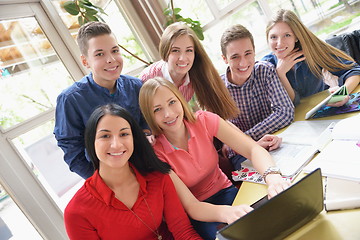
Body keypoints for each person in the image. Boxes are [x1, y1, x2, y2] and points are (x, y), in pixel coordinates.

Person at [139, 77, 290, 240]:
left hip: (227, 191)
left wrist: (273, 177)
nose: (168, 113)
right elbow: (191, 206)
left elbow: (253, 149)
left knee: (276, 221)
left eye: (171, 102)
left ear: (180, 100)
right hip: (203, 213)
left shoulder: (204, 120)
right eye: (157, 109)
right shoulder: (156, 154)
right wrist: (225, 213)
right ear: (149, 115)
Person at [64, 104, 202, 240]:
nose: (116, 145)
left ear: (134, 139)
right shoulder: (76, 213)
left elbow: (183, 232)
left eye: (124, 134)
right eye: (105, 136)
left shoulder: (158, 176)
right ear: (91, 142)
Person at [54, 22, 149, 179]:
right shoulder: (70, 100)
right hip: (109, 179)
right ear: (85, 61)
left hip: (146, 168)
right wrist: (102, 182)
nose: (111, 59)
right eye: (99, 54)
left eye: (115, 51)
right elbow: (72, 151)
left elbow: (148, 123)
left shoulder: (137, 86)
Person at [220, 24, 294, 169]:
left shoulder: (265, 71)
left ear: (254, 51)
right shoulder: (218, 89)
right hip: (243, 154)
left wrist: (245, 137)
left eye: (248, 53)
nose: (243, 63)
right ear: (225, 59)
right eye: (235, 57)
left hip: (275, 139)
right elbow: (226, 147)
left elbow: (285, 112)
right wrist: (249, 144)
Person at [140, 22, 238, 120]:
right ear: (165, 52)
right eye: (175, 50)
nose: (182, 58)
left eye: (189, 50)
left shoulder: (194, 75)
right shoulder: (148, 77)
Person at [262, 9, 360, 106]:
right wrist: (281, 74)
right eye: (273, 37)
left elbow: (354, 70)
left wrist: (341, 94)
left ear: (296, 37)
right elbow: (293, 103)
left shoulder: (311, 51)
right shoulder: (265, 67)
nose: (279, 43)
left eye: (287, 35)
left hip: (324, 109)